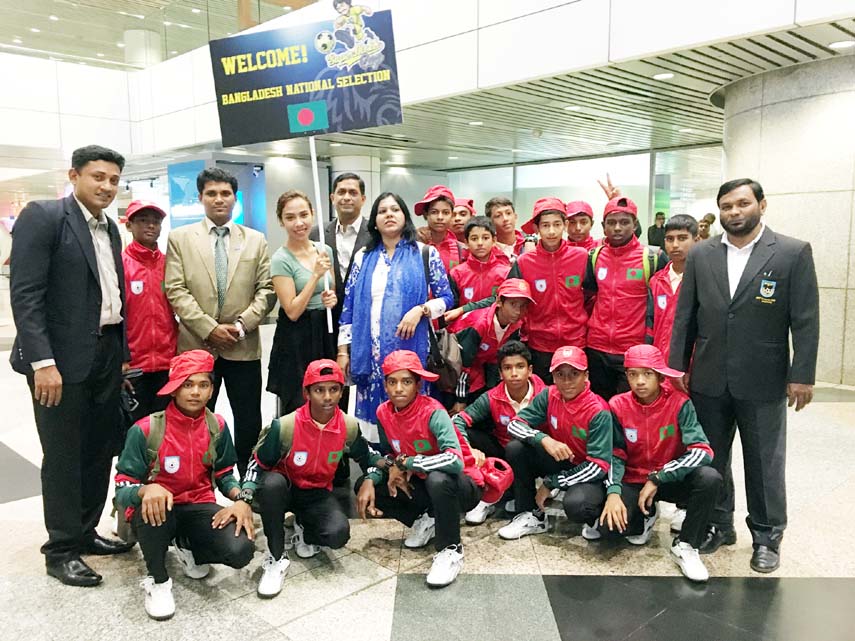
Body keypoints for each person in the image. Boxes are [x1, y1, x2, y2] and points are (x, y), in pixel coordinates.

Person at [670, 178, 819, 574]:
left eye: (742, 204)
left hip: (764, 378)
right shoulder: (701, 254)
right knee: (712, 459)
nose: (734, 212)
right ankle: (719, 525)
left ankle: (767, 536)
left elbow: (805, 320)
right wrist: (675, 367)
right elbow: (686, 314)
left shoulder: (791, 252)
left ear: (762, 205)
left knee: (764, 461)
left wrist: (802, 374)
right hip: (709, 376)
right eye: (726, 206)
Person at [9, 144, 134, 587]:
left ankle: (85, 532)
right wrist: (43, 362)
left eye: (114, 180)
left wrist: (119, 357)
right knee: (63, 454)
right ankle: (60, 549)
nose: (106, 186)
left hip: (104, 353)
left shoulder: (111, 228)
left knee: (98, 448)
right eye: (98, 176)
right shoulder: (44, 217)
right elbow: (26, 295)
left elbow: (110, 294)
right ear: (74, 176)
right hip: (58, 361)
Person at [114, 350, 254, 620]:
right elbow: (122, 488)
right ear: (174, 389)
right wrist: (145, 490)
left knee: (241, 549)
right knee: (155, 506)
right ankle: (158, 581)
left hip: (198, 506)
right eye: (187, 384)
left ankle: (188, 545)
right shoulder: (145, 430)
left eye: (203, 385)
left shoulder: (218, 426)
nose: (195, 392)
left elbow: (225, 474)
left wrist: (240, 498)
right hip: (156, 512)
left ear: (212, 390)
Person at [164, 167, 276, 477]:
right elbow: (175, 289)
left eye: (225, 193)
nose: (219, 199)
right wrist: (209, 329)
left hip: (243, 346)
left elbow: (266, 291)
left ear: (235, 199)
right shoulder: (180, 238)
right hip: (196, 348)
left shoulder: (255, 240)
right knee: (195, 417)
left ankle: (249, 485)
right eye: (211, 193)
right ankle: (197, 484)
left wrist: (241, 325)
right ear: (200, 197)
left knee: (249, 420)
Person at [241, 359, 377, 598]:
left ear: (341, 392)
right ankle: (275, 557)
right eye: (319, 390)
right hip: (283, 489)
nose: (327, 397)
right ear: (307, 393)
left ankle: (303, 525)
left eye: (334, 390)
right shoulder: (285, 426)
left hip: (316, 493)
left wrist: (371, 478)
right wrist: (244, 496)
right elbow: (258, 463)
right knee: (272, 484)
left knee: (338, 535)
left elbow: (370, 458)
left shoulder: (347, 426)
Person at [354, 350, 483, 587]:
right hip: (422, 479)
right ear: (385, 385)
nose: (399, 389)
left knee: (438, 479)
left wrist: (409, 463)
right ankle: (427, 518)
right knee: (367, 484)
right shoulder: (383, 412)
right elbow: (388, 454)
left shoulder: (433, 412)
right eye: (392, 382)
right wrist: (390, 468)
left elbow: (455, 460)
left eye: (406, 382)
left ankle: (450, 549)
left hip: (463, 485)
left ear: (418, 384)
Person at [337, 192, 454, 442]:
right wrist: (343, 351)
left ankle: (410, 464)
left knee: (409, 412)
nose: (389, 214)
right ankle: (379, 467)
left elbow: (447, 298)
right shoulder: (362, 258)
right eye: (382, 211)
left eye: (395, 210)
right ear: (375, 221)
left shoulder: (425, 254)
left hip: (409, 351)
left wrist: (421, 310)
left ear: (405, 217)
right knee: (374, 428)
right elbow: (348, 306)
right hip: (369, 353)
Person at [596, 345, 720, 582]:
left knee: (709, 478)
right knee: (610, 531)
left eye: (647, 374)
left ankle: (686, 545)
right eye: (633, 374)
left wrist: (659, 477)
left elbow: (702, 451)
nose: (640, 381)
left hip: (670, 477)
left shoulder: (680, 403)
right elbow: (615, 453)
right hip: (633, 479)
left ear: (660, 376)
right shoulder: (617, 405)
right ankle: (646, 515)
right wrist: (613, 493)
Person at [497, 347, 612, 540]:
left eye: (574, 374)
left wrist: (552, 482)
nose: (566, 381)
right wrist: (544, 439)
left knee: (577, 506)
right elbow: (514, 424)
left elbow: (599, 466)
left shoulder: (598, 410)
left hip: (587, 470)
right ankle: (531, 515)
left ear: (586, 375)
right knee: (516, 449)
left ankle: (596, 511)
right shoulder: (550, 395)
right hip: (561, 458)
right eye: (560, 374)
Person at [453, 340, 547, 523]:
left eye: (520, 367)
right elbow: (457, 421)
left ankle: (528, 504)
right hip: (504, 452)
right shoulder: (491, 397)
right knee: (472, 437)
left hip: (537, 454)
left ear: (530, 370)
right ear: (500, 373)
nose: (514, 373)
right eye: (507, 368)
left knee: (518, 447)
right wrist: (469, 451)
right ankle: (486, 492)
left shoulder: (547, 394)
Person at [584, 196, 668, 400]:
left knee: (628, 412)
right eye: (611, 223)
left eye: (624, 222)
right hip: (597, 348)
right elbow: (590, 295)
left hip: (634, 350)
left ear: (635, 224)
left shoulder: (652, 258)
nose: (618, 228)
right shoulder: (594, 257)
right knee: (600, 409)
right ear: (603, 227)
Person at [267, 190, 337, 415]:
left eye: (303, 215)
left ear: (312, 215)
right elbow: (293, 311)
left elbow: (331, 289)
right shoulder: (280, 259)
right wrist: (315, 275)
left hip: (324, 333)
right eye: (290, 217)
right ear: (281, 221)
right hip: (296, 338)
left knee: (328, 395)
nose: (299, 223)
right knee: (298, 401)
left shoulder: (324, 249)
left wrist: (331, 298)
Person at [122, 200, 178, 421]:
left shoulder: (170, 265)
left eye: (156, 222)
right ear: (129, 225)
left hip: (168, 362)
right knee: (135, 429)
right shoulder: (121, 265)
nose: (150, 226)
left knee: (164, 426)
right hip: (134, 365)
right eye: (143, 220)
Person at [450, 278, 534, 412]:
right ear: (500, 302)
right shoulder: (478, 325)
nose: (518, 311)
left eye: (523, 306)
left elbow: (498, 359)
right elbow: (463, 366)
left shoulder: (516, 324)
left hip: (483, 370)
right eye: (513, 304)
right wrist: (460, 401)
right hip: (454, 374)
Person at [648, 214, 699, 363]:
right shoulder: (656, 281)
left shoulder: (705, 280)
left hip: (691, 367)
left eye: (682, 238)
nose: (675, 245)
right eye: (670, 239)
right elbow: (650, 325)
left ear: (696, 241)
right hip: (658, 365)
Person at [448, 216, 510, 307]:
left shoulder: (506, 273)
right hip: (465, 321)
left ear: (494, 241)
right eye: (474, 239)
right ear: (466, 242)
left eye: (485, 238)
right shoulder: (456, 274)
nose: (480, 243)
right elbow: (452, 309)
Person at [414, 185, 467, 273]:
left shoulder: (461, 250)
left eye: (446, 212)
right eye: (434, 212)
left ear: (451, 215)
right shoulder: (414, 245)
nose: (440, 217)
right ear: (425, 214)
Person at [485, 196, 527, 260]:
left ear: (515, 216)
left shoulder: (529, 244)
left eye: (508, 213)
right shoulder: (486, 250)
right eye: (498, 216)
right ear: (490, 222)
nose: (505, 219)